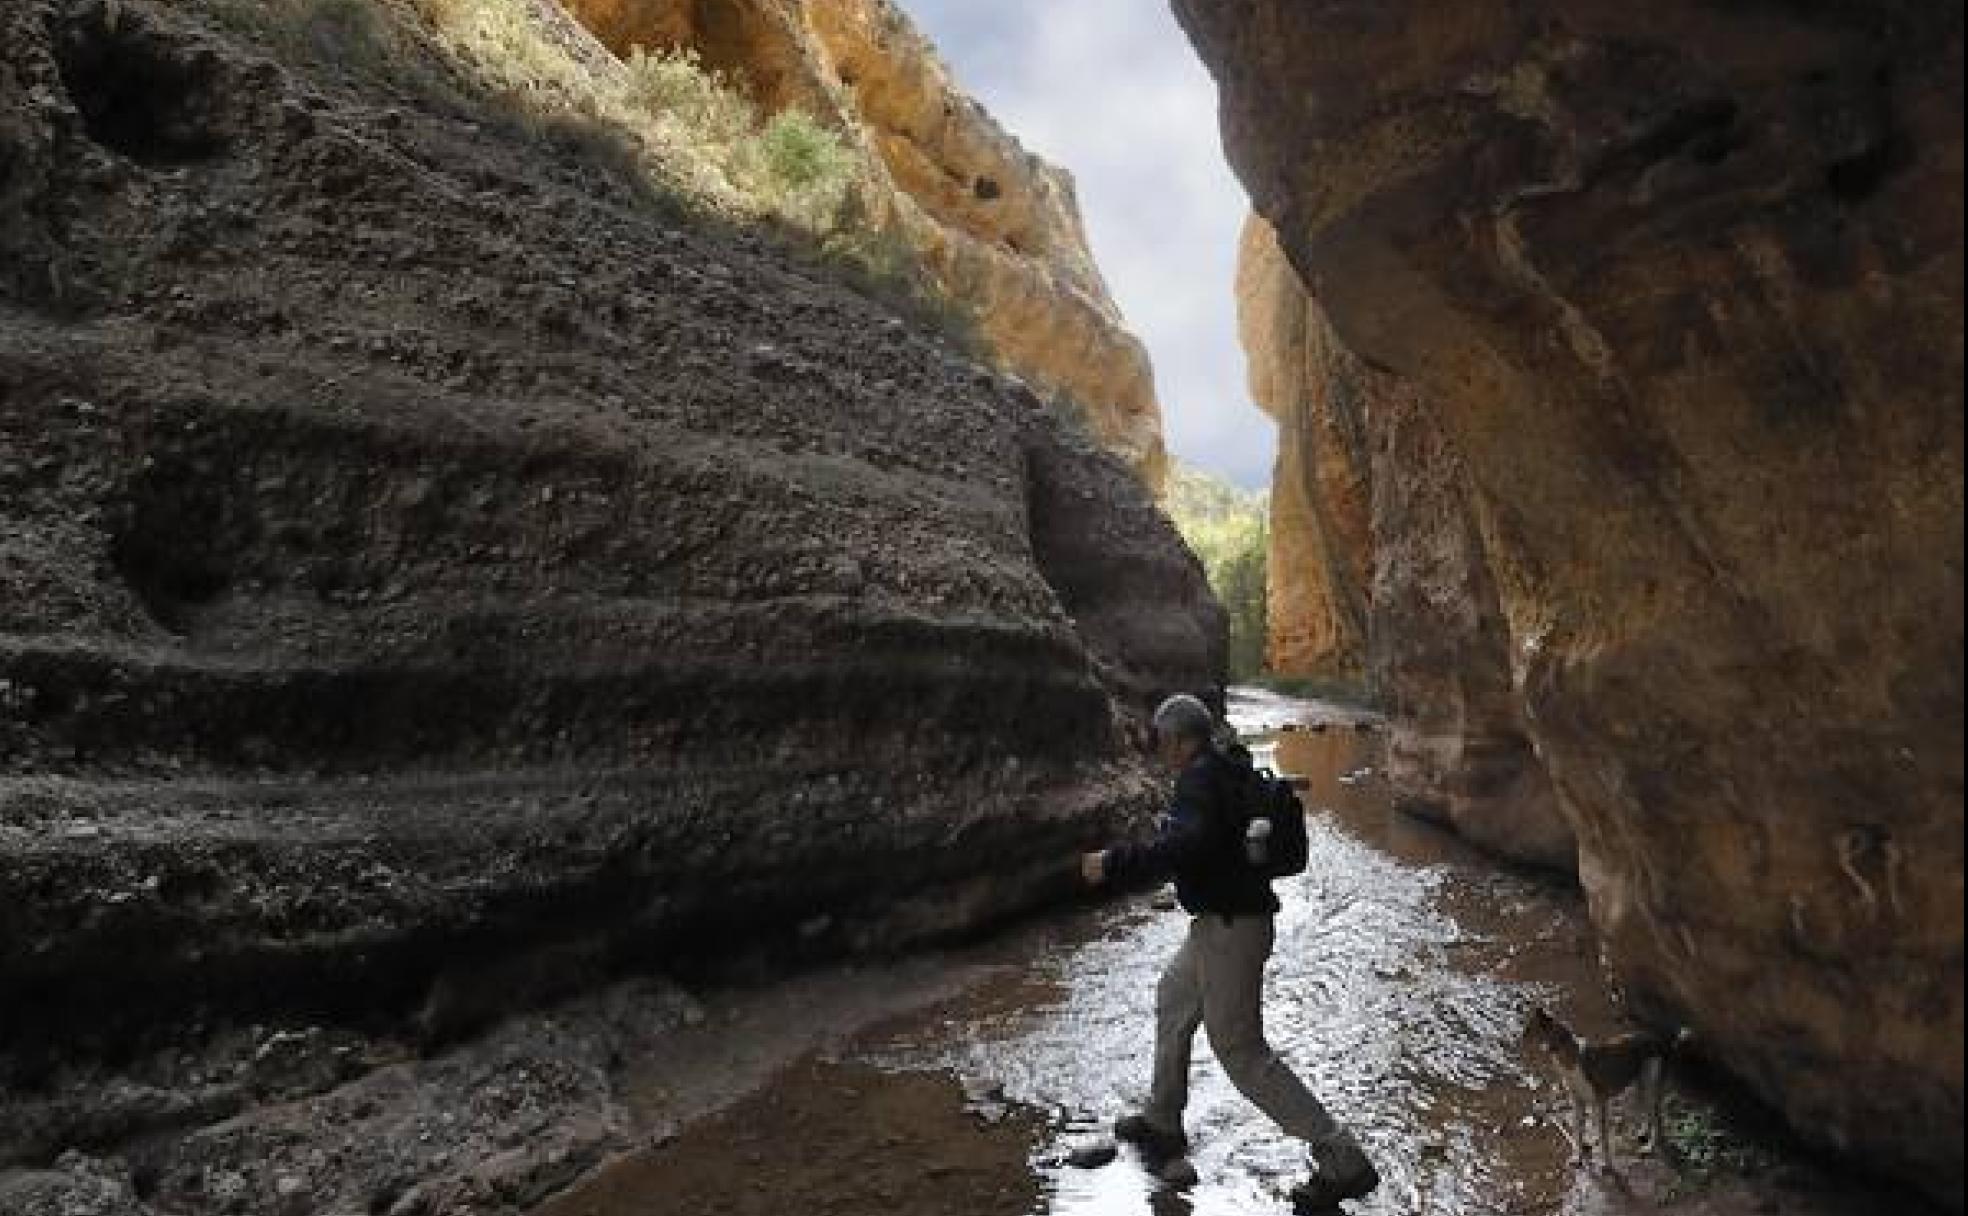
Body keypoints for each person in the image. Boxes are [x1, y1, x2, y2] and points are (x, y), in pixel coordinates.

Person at [1080, 693, 1380, 1210]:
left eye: (1160, 741)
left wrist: (1113, 863)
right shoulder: (1225, 765)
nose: (1159, 751)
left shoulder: (1198, 779)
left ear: (1176, 739)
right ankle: (1161, 1122)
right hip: (1221, 924)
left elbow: (1184, 846)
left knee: (1241, 1052)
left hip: (1231, 930)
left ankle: (1341, 1157)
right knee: (1173, 999)